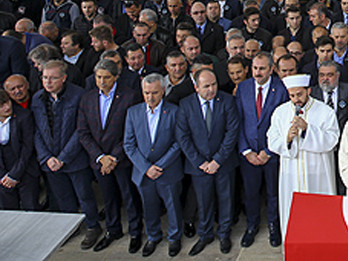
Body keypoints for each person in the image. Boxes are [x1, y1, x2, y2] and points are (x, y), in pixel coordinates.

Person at [31, 59, 102, 249]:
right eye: (45, 77)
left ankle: (92, 226)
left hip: (74, 159)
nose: (48, 82)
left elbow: (80, 130)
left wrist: (63, 158)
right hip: (50, 161)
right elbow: (36, 131)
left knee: (84, 195)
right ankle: (71, 228)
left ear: (64, 78)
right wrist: (47, 158)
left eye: (53, 78)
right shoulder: (37, 99)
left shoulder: (78, 95)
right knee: (63, 197)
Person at [76, 58, 143, 252]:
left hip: (121, 160)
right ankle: (113, 230)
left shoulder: (130, 96)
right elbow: (83, 132)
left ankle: (135, 231)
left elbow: (132, 131)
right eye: (98, 77)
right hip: (99, 161)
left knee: (129, 196)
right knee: (109, 198)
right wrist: (100, 157)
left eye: (106, 77)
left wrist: (113, 157)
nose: (102, 81)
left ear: (116, 77)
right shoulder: (87, 98)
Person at [176, 69, 240, 256]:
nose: (212, 89)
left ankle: (224, 233)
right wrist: (200, 162)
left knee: (226, 199)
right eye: (206, 86)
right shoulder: (186, 104)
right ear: (196, 87)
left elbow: (232, 132)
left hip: (224, 163)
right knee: (203, 201)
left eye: (214, 84)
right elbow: (183, 137)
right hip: (200, 166)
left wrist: (217, 161)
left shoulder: (227, 100)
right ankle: (204, 235)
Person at [267, 74, 339, 239]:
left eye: (299, 94)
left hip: (318, 175)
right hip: (291, 175)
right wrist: (288, 139)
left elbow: (332, 139)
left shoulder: (324, 111)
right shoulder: (281, 112)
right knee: (293, 216)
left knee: (320, 217)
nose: (296, 99)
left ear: (308, 91)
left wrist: (307, 130)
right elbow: (272, 140)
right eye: (292, 95)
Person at [123, 73, 184, 258]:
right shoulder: (133, 112)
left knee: (173, 205)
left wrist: (160, 165)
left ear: (163, 91)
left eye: (155, 93)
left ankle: (174, 238)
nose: (150, 97)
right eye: (147, 93)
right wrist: (146, 167)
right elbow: (129, 144)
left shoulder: (174, 111)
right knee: (148, 206)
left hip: (168, 170)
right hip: (144, 173)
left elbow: (178, 142)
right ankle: (153, 236)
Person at [234, 52, 287, 248]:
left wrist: (268, 151)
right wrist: (246, 150)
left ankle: (274, 225)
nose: (257, 72)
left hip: (271, 154)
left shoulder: (281, 89)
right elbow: (237, 121)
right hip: (249, 154)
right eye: (255, 68)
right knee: (250, 192)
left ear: (271, 69)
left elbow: (283, 125)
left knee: (273, 193)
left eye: (262, 68)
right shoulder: (244, 87)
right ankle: (252, 225)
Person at [0, 88, 39, 210]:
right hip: (2, 173)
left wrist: (14, 175)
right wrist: (3, 176)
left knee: (30, 209)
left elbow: (27, 148)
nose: (6, 107)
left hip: (25, 171)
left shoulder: (24, 116)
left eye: (7, 102)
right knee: (9, 212)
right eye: (1, 106)